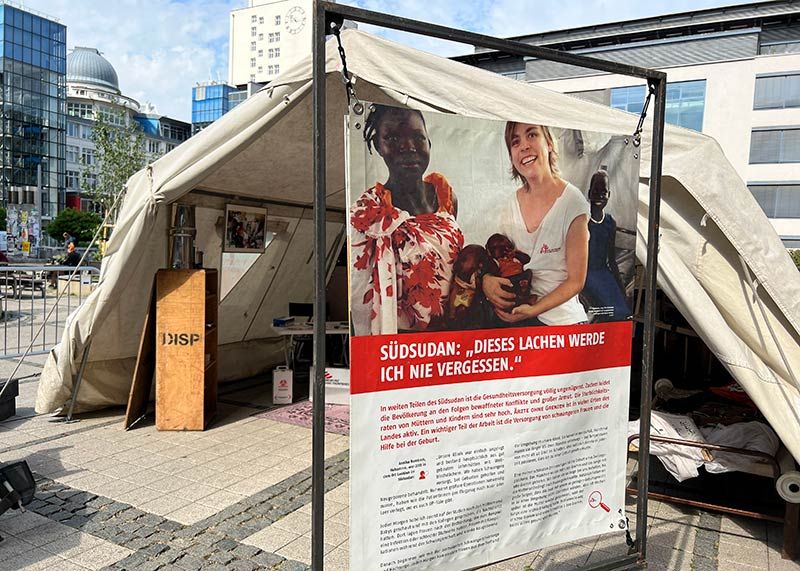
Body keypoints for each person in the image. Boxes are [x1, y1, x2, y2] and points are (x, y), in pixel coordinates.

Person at [350, 105, 463, 335]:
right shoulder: (370, 213)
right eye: (392, 138)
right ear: (377, 146)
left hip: (452, 337)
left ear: (429, 143)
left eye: (418, 137)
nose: (408, 147)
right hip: (400, 344)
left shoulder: (446, 196)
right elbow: (359, 294)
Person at [483, 122, 589, 326]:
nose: (524, 146)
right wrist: (487, 280)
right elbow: (500, 260)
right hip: (519, 320)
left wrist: (533, 310)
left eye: (531, 135)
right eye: (515, 142)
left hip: (561, 323)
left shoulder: (573, 202)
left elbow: (576, 281)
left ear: (549, 143)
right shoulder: (509, 205)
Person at [583, 169, 630, 321]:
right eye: (595, 191)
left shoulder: (610, 222)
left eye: (603, 192)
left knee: (624, 310)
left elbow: (611, 259)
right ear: (589, 193)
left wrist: (621, 288)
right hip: (586, 274)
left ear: (609, 195)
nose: (599, 196)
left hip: (604, 273)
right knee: (612, 312)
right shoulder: (582, 220)